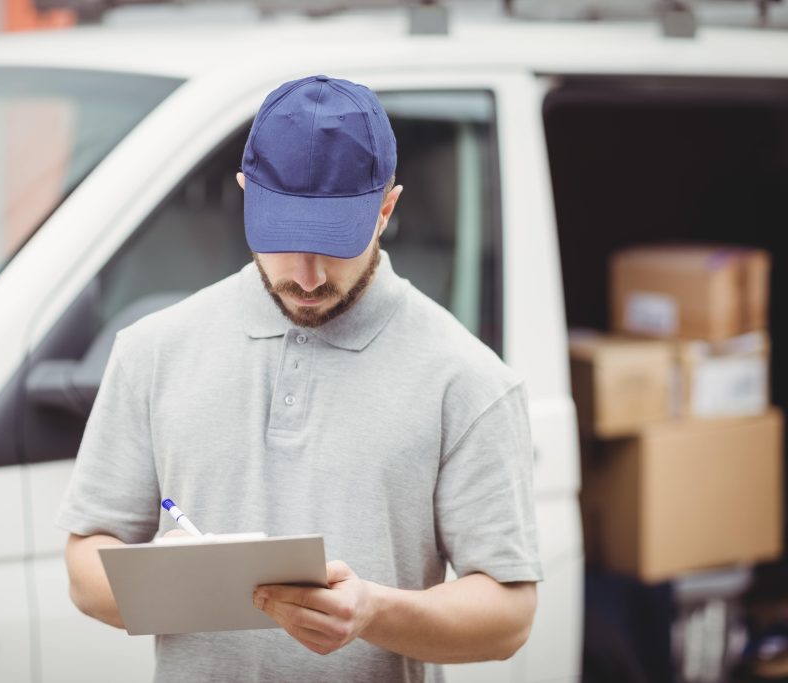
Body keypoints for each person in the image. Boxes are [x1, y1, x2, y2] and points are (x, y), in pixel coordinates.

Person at [57, 74, 542, 683]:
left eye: (335, 244)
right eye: (284, 240)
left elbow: (509, 618)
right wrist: (169, 581)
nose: (308, 277)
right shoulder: (153, 351)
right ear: (245, 195)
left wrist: (374, 612)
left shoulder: (468, 379)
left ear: (386, 208)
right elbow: (83, 570)